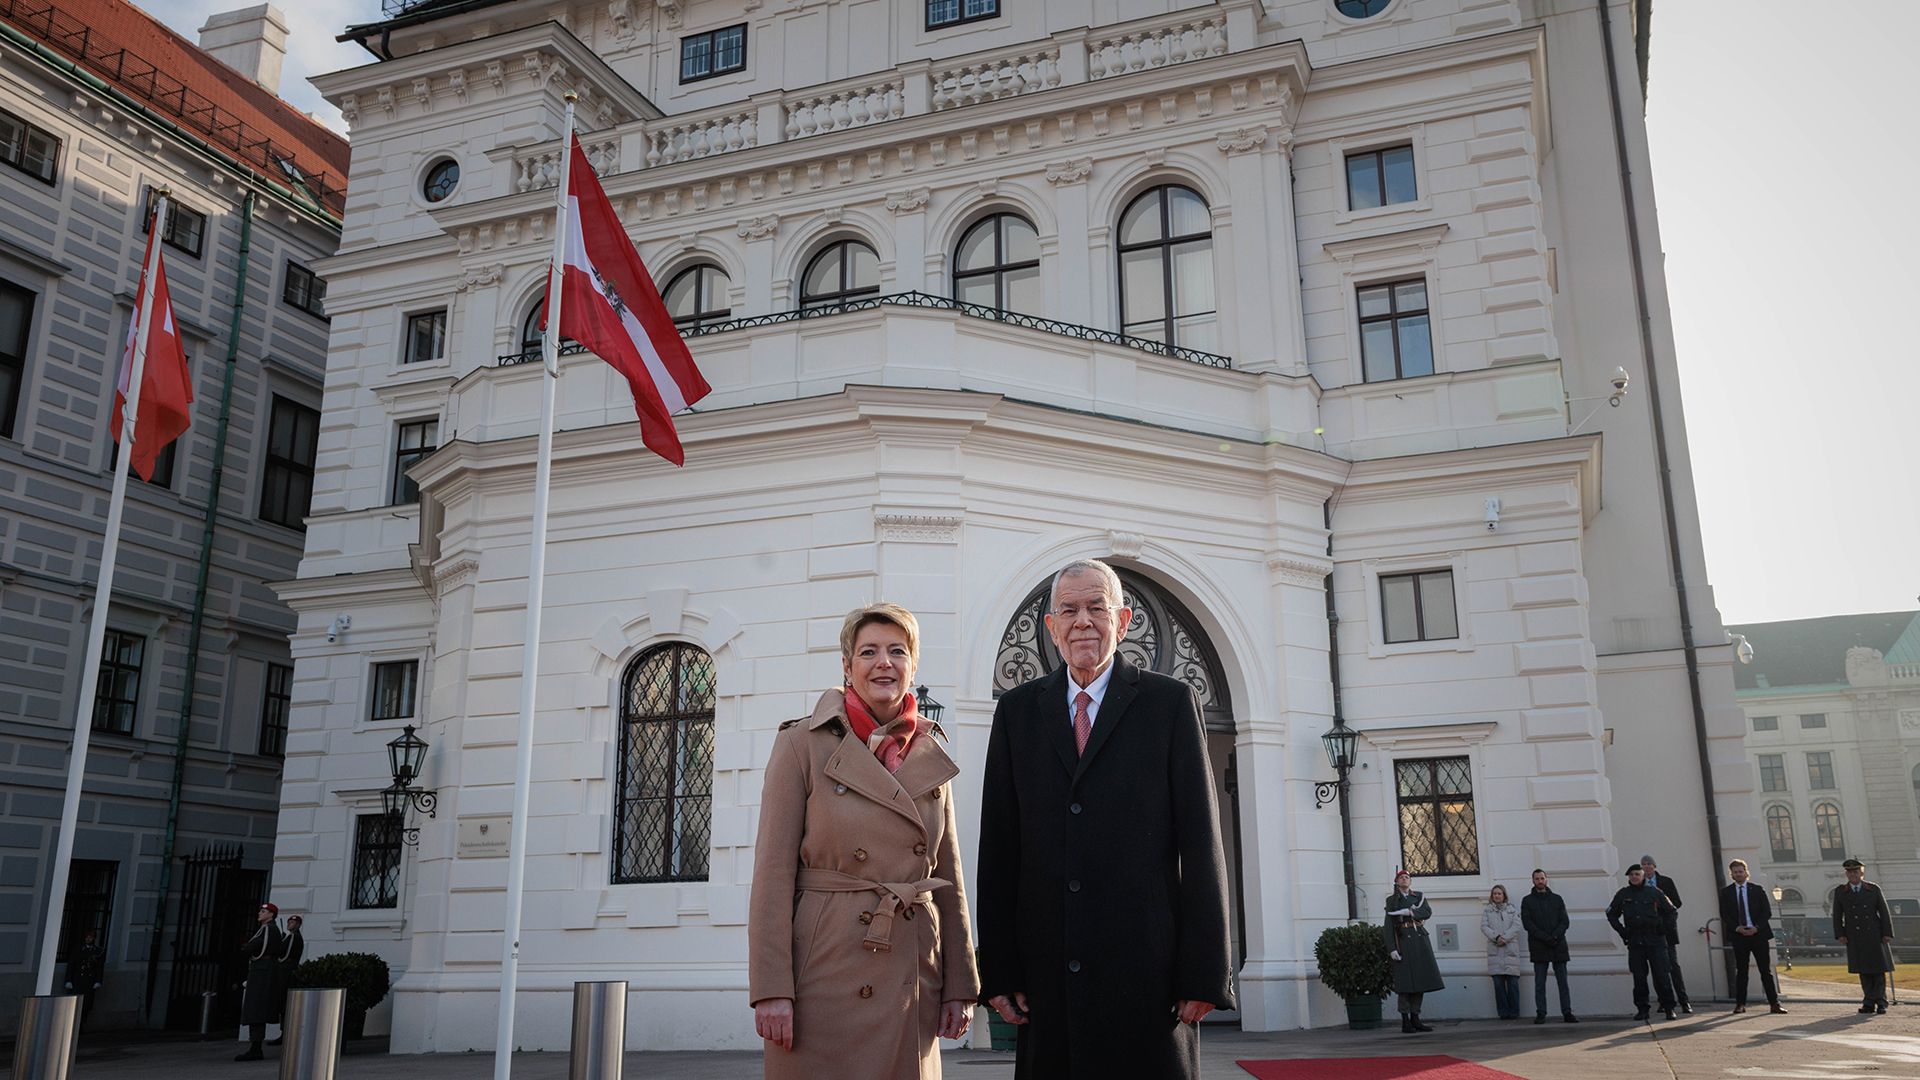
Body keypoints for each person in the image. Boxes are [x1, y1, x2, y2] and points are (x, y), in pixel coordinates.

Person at [976, 559, 1234, 1079]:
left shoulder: (1169, 704)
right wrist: (998, 970)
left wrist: (1204, 973)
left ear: (1123, 620)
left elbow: (1201, 841)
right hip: (1047, 980)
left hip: (1148, 979)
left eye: (1097, 607)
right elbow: (999, 848)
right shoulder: (1017, 712)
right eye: (1069, 610)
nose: (1083, 621)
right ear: (1051, 626)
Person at [748, 602, 979, 1079]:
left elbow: (948, 877)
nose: (884, 663)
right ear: (847, 666)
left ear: (913, 666)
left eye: (898, 651)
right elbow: (772, 874)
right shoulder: (801, 744)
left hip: (910, 970)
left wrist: (960, 984)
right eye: (869, 651)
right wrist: (771, 989)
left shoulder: (930, 751)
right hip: (824, 970)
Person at [1607, 865, 1677, 1021]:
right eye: (1631, 874)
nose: (1634, 877)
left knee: (1662, 976)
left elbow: (1671, 912)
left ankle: (1669, 1008)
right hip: (1635, 942)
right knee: (1639, 978)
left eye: (1637, 874)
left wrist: (1664, 929)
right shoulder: (1623, 894)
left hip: (1656, 941)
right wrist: (1622, 931)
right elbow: (1611, 914)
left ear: (1643, 875)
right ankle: (1642, 1009)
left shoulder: (1655, 892)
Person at [1718, 859, 1785, 1014]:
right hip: (1739, 936)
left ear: (1746, 872)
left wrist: (1756, 928)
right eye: (1735, 872)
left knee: (1765, 971)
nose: (1738, 874)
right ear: (1731, 874)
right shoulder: (1726, 892)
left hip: (1758, 935)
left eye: (1740, 871)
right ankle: (1740, 1004)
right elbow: (1724, 913)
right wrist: (1737, 928)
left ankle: (1774, 1003)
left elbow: (1766, 912)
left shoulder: (1757, 890)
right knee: (1742, 971)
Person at [1383, 870, 1444, 1033]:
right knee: (1405, 984)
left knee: (1419, 981)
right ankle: (1405, 1020)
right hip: (1402, 941)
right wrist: (1392, 948)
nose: (1404, 879)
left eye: (1407, 877)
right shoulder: (1392, 900)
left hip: (1418, 940)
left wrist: (1411, 912)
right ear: (1396, 881)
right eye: (1401, 877)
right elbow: (1388, 925)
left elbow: (1427, 912)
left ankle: (1415, 1017)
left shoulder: (1418, 896)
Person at [1831, 858, 1895, 1014]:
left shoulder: (1873, 889)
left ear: (1861, 873)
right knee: (1864, 970)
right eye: (1849, 872)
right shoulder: (1841, 891)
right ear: (1846, 874)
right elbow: (1837, 915)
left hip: (1874, 934)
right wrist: (1840, 934)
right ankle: (1868, 1002)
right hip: (1855, 935)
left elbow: (1884, 912)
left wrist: (1887, 932)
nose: (1852, 874)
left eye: (1855, 871)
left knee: (1878, 970)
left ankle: (1881, 1001)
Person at [1520, 869, 1576, 1024]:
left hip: (1558, 945)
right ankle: (1541, 1013)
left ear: (1546, 879)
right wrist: (1545, 937)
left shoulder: (1557, 899)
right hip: (1539, 946)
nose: (1540, 881)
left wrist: (1555, 936)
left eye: (1542, 878)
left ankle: (1567, 1012)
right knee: (1539, 983)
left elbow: (1564, 921)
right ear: (1533, 880)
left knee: (1563, 983)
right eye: (1537, 878)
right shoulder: (1527, 901)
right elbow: (1527, 923)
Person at [1640, 855, 1691, 1014]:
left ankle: (1684, 1000)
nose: (1647, 866)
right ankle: (1663, 1001)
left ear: (1654, 866)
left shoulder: (1666, 882)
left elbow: (1677, 902)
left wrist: (1662, 909)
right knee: (1657, 968)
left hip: (1666, 930)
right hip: (1650, 931)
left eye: (1649, 864)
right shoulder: (1640, 883)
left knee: (1673, 965)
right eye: (1644, 864)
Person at [236, 902, 284, 1061]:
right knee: (256, 1009)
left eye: (263, 911)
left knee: (256, 1008)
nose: (260, 913)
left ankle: (255, 1048)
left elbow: (254, 946)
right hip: (261, 970)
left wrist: (246, 947)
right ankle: (255, 1045)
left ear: (271, 914)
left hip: (263, 972)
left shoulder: (269, 929)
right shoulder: (267, 929)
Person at [1482, 885, 1524, 1020]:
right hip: (1495, 951)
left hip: (1510, 950)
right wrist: (1496, 937)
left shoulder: (1512, 910)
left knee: (1513, 985)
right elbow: (1484, 926)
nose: (1497, 896)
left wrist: (1505, 938)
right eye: (1494, 894)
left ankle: (1514, 1012)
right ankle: (1503, 1012)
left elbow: (1516, 926)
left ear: (1504, 895)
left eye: (1499, 893)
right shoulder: (1487, 911)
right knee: (1498, 985)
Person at [267, 913, 306, 1045]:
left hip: (287, 973)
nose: (289, 924)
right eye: (289, 922)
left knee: (285, 1003)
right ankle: (284, 1032)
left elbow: (284, 953)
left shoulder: (294, 937)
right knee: (283, 1003)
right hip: (285, 972)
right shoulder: (291, 937)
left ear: (298, 925)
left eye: (292, 922)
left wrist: (281, 942)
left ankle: (286, 1033)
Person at [63, 928, 105, 1025]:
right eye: (87, 937)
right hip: (77, 980)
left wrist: (98, 981)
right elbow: (71, 965)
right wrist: (68, 980)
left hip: (89, 982)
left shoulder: (98, 951)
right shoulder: (78, 950)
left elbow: (99, 967)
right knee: (74, 1004)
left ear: (94, 938)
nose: (88, 939)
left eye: (90, 937)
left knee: (86, 1006)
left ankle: (82, 1024)